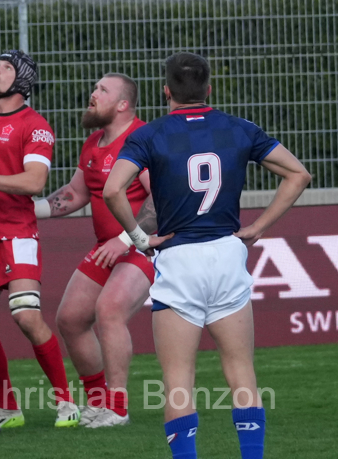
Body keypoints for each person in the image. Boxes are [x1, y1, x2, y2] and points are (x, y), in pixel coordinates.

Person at [104, 52, 311, 459]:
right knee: (241, 373)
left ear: (166, 90)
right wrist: (258, 228)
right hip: (226, 256)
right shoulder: (239, 128)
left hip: (179, 258)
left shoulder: (150, 135)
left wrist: (138, 239)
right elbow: (299, 174)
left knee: (179, 379)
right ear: (209, 89)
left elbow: (113, 190)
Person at [0, 52, 79, 428]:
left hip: (16, 233)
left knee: (26, 315)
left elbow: (34, 183)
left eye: (6, 68)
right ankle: (8, 407)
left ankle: (66, 402)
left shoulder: (35, 125)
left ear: (22, 81)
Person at [44, 74, 155, 428]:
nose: (92, 94)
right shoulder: (93, 141)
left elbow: (160, 201)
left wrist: (125, 239)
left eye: (102, 90)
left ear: (123, 104)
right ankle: (97, 402)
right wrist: (25, 211)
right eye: (94, 87)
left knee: (108, 311)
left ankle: (118, 407)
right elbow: (75, 195)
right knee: (70, 319)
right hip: (106, 248)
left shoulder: (141, 138)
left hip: (144, 247)